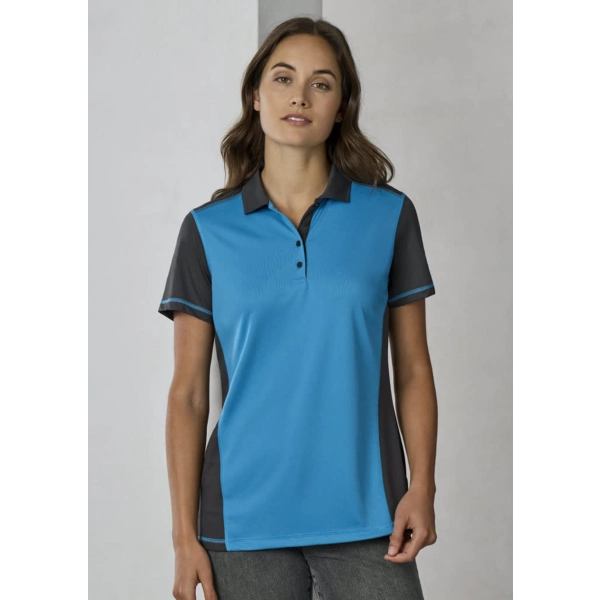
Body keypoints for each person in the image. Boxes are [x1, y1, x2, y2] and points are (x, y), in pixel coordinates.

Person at [159, 16, 438, 600]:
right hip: (242, 524)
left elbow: (412, 368)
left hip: (370, 516)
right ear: (256, 96)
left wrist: (423, 486)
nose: (300, 96)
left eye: (321, 83)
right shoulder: (207, 231)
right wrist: (184, 538)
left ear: (341, 106)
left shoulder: (389, 216)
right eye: (283, 78)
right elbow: (187, 394)